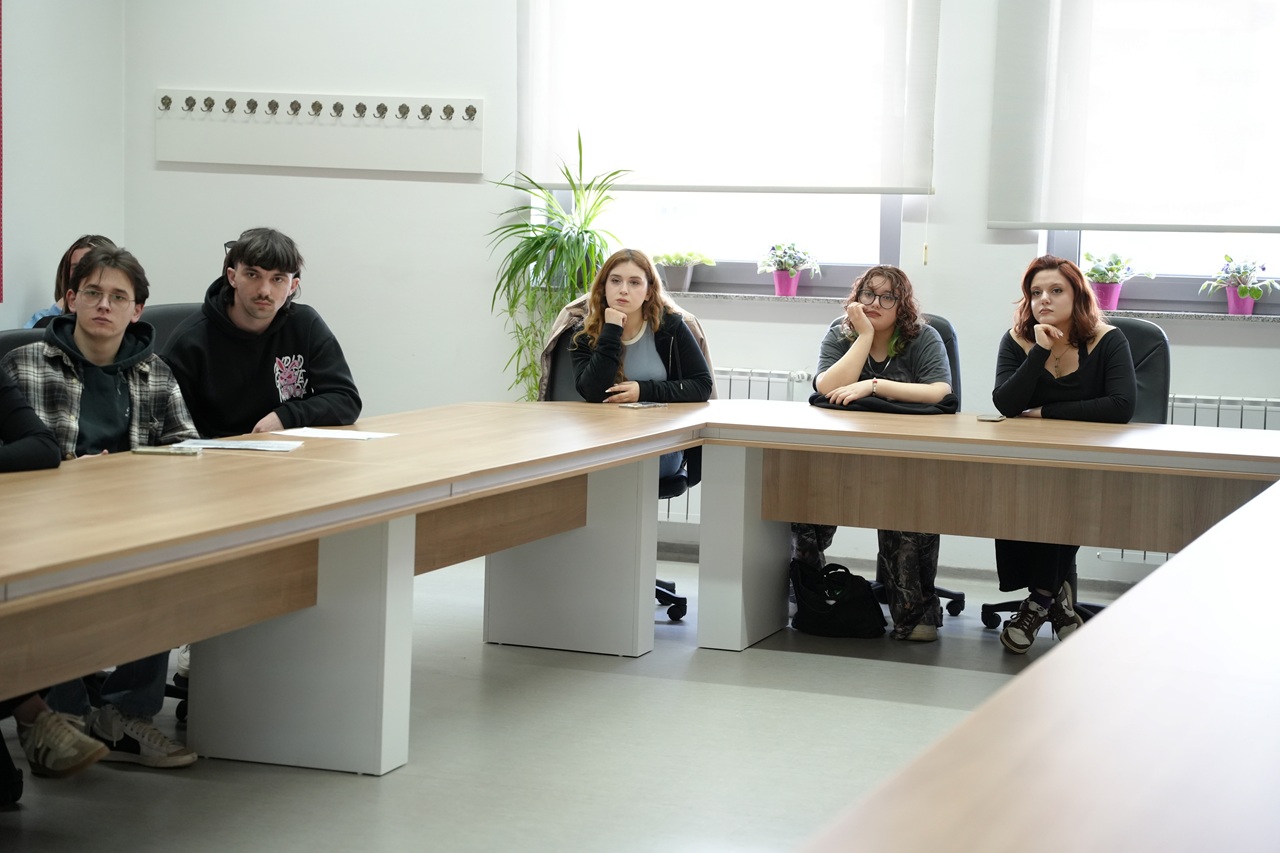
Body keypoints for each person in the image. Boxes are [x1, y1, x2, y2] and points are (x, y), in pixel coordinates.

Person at [1, 244, 200, 769]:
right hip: (47, 521)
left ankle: (126, 716)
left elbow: (187, 449)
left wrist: (134, 474)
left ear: (137, 310)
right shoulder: (24, 364)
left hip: (134, 517)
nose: (103, 305)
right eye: (92, 293)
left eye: (118, 297)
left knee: (169, 567)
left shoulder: (155, 372)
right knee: (55, 588)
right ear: (71, 300)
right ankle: (63, 717)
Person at [791, 265, 955, 642]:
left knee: (908, 511)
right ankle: (809, 599)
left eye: (887, 297)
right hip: (841, 453)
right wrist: (864, 335)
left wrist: (873, 386)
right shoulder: (842, 332)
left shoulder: (923, 336)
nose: (875, 303)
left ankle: (915, 612)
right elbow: (825, 386)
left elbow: (939, 392)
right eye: (868, 294)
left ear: (903, 304)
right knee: (801, 503)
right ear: (857, 297)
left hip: (905, 456)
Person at [992, 254, 1136, 654]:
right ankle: (1058, 604)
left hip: (1088, 463)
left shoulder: (1108, 340)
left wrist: (1045, 411)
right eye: (1036, 292)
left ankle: (1038, 600)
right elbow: (1006, 403)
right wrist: (1038, 351)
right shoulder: (1017, 340)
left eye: (1056, 290)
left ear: (1077, 296)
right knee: (1023, 493)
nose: (1044, 299)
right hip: (1030, 461)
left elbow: (1121, 405)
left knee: (1060, 496)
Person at [163, 227, 361, 437]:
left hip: (289, 450)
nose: (264, 291)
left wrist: (285, 417)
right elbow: (168, 430)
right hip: (219, 453)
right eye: (252, 275)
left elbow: (346, 400)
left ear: (293, 286)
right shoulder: (190, 341)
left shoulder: (305, 325)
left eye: (278, 279)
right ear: (232, 277)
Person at [569, 248, 713, 479]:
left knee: (622, 470)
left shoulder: (670, 327)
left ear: (648, 292)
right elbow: (593, 392)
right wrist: (611, 329)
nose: (623, 290)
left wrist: (643, 390)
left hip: (660, 441)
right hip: (603, 438)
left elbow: (702, 385)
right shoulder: (583, 334)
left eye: (635, 282)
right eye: (615, 281)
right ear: (603, 287)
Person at [24, 234, 116, 329]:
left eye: (91, 267)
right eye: (76, 268)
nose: (83, 274)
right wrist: (56, 311)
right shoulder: (42, 320)